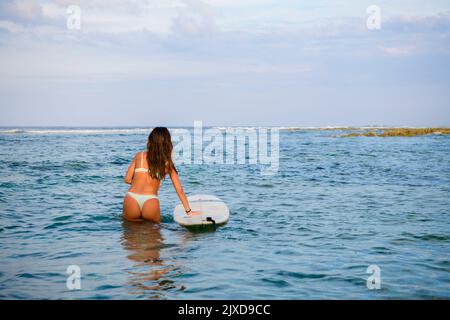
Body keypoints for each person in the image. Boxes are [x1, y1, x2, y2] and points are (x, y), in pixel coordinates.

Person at [123, 127, 200, 222]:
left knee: (130, 233)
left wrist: (138, 183)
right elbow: (179, 190)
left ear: (150, 140)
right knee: (155, 232)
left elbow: (127, 179)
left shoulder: (140, 156)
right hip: (150, 201)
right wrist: (189, 211)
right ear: (167, 143)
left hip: (131, 198)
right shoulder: (168, 164)